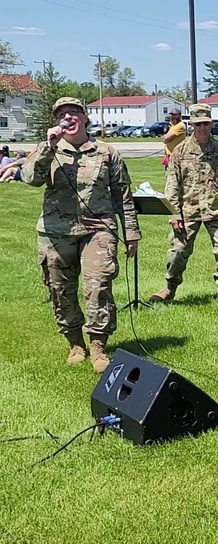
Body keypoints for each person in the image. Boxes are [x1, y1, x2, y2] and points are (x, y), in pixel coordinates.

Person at [21, 97, 141, 373]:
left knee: (98, 286)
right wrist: (47, 148)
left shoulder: (106, 152)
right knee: (60, 290)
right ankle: (75, 343)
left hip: (98, 230)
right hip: (56, 232)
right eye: (62, 114)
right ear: (56, 122)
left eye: (74, 112)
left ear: (85, 118)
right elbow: (30, 178)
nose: (69, 117)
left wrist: (131, 231)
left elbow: (123, 194)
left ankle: (98, 344)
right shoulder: (48, 149)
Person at [150, 104, 218, 304]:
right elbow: (172, 185)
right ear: (191, 124)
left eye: (206, 123)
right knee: (178, 252)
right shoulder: (180, 151)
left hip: (217, 210)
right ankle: (169, 288)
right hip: (187, 211)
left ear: (212, 124)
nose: (202, 128)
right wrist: (173, 214)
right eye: (198, 124)